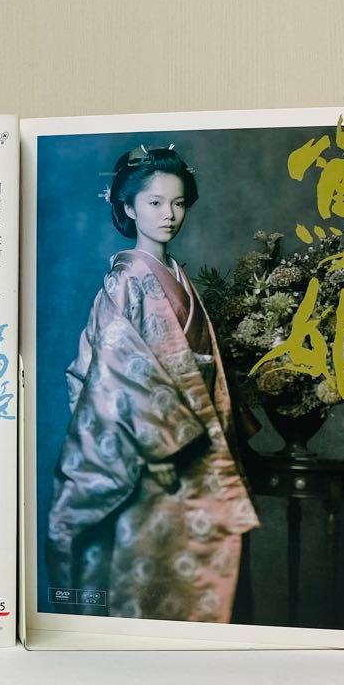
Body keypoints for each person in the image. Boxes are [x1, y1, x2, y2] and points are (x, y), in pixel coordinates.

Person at [45, 144, 259, 623]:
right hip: (153, 452)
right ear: (128, 207)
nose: (169, 214)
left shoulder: (179, 277)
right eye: (155, 203)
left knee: (204, 572)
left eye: (178, 203)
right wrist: (159, 440)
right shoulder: (126, 281)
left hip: (200, 441)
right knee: (153, 573)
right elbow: (111, 369)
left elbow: (207, 365)